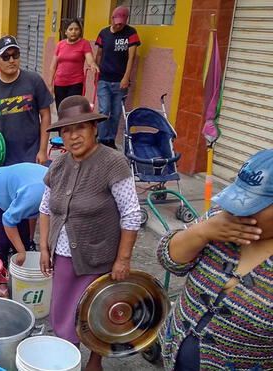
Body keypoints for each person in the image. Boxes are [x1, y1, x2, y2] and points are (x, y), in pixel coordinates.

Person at [38, 95, 141, 371]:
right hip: (63, 257)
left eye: (80, 128)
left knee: (96, 315)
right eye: (67, 130)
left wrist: (123, 260)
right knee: (63, 313)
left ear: (94, 128)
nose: (73, 136)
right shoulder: (58, 165)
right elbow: (46, 208)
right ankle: (67, 358)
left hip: (98, 259)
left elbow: (131, 213)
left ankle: (95, 361)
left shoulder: (113, 163)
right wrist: (45, 249)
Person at [156, 149, 273, 370]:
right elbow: (169, 260)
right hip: (174, 352)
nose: (239, 212)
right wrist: (202, 232)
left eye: (254, 205)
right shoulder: (222, 217)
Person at [0, 36, 54, 170]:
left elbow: (46, 116)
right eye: (5, 57)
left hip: (31, 157)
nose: (11, 60)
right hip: (0, 160)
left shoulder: (34, 81)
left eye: (15, 55)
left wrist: (43, 150)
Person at [0, 163, 47, 266]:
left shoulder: (54, 193)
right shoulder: (34, 196)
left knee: (24, 241)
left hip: (18, 192)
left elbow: (35, 215)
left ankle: (17, 275)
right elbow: (8, 221)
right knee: (0, 244)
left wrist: (30, 240)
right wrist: (21, 252)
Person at [95, 6, 140, 149]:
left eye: (122, 22)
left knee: (116, 113)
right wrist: (96, 72)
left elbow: (131, 57)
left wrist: (126, 78)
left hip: (120, 81)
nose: (119, 25)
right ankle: (101, 139)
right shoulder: (103, 33)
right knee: (104, 110)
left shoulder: (131, 33)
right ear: (112, 19)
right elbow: (99, 54)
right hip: (104, 79)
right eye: (117, 22)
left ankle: (110, 140)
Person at [50, 18, 99, 113]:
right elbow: (53, 66)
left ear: (80, 31)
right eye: (71, 29)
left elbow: (89, 58)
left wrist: (93, 64)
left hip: (75, 83)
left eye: (76, 29)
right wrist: (50, 84)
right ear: (65, 32)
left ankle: (72, 128)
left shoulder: (84, 43)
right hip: (59, 83)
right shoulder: (60, 45)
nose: (74, 32)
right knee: (61, 110)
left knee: (73, 111)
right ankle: (62, 128)